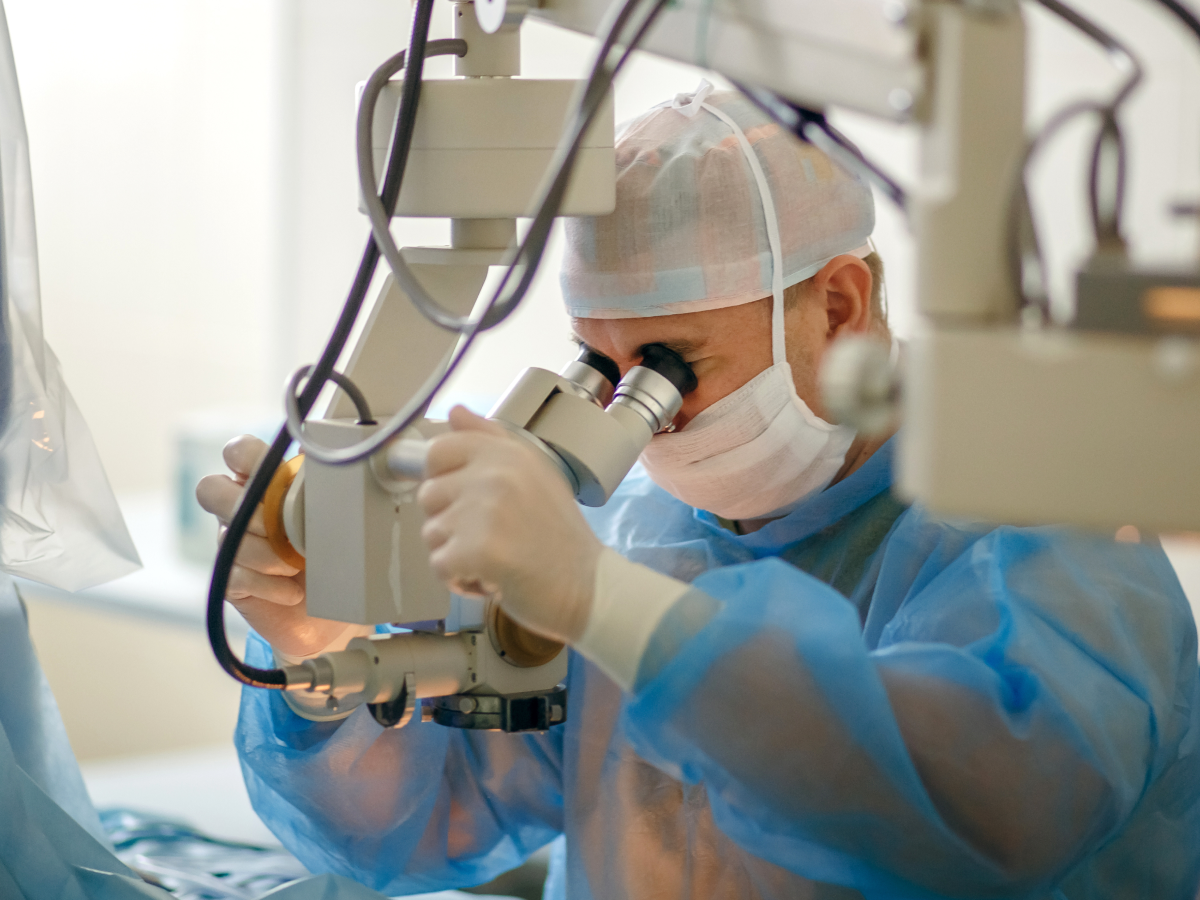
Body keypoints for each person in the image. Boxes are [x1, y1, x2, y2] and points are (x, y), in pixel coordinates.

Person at [197, 85, 1200, 899]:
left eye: (672, 366)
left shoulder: (1041, 515)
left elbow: (978, 822)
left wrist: (607, 604)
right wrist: (321, 657)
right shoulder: (637, 525)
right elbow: (411, 828)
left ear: (840, 305)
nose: (645, 418)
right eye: (600, 365)